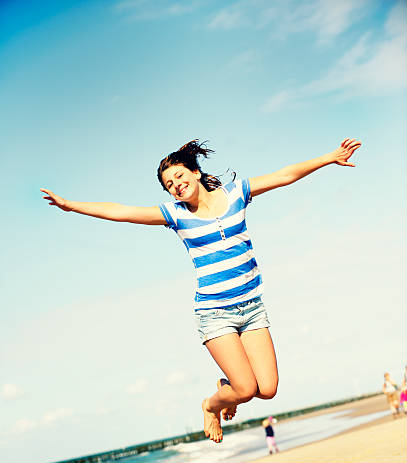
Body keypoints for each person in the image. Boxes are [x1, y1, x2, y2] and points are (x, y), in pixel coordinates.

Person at [41, 137, 361, 444]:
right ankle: (211, 404)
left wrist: (329, 158)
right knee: (246, 389)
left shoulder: (237, 194)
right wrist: (71, 205)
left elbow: (283, 175)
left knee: (268, 389)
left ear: (194, 171)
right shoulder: (176, 215)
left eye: (179, 176)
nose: (176, 185)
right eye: (169, 184)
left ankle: (227, 388)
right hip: (215, 314)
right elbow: (121, 211)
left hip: (251, 308)